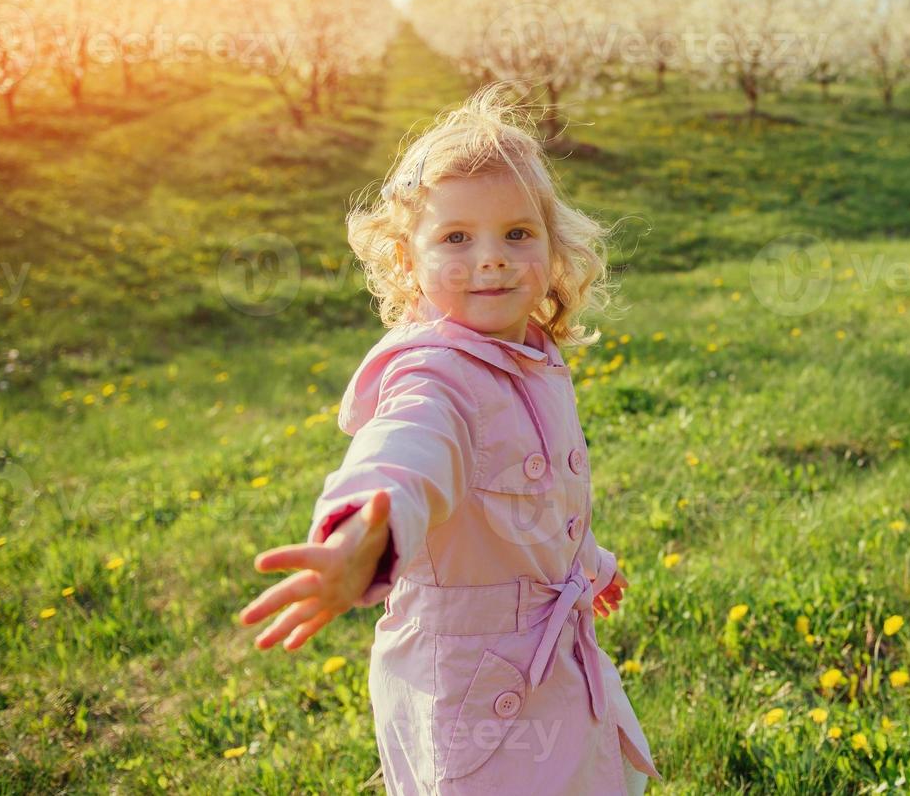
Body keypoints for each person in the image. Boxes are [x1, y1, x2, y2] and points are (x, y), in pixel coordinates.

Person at [237, 83, 661, 796]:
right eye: (456, 238)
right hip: (473, 696)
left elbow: (534, 505)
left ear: (553, 249)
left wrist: (589, 563)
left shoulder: (531, 356)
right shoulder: (431, 376)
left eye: (516, 234)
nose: (489, 259)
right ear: (408, 262)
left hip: (550, 665)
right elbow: (405, 453)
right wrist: (358, 536)